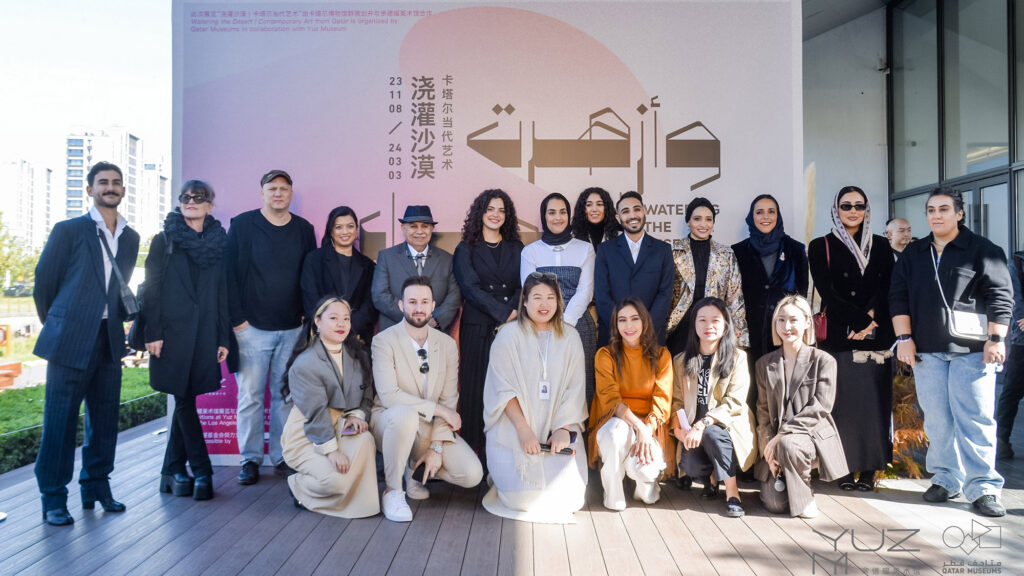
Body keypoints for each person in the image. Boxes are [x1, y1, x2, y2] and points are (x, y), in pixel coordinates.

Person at [890, 188, 1013, 517]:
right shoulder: (914, 253)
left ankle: (983, 486)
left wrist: (996, 340)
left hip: (972, 352)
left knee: (974, 419)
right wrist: (904, 338)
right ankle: (946, 477)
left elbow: (1001, 297)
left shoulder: (983, 251)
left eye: (944, 209)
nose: (936, 215)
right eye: (931, 210)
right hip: (926, 352)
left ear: (959, 213)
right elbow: (898, 297)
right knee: (939, 420)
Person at [33, 161, 140, 525]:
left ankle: (96, 486)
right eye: (103, 182)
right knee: (60, 422)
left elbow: (118, 285)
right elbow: (44, 283)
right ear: (90, 189)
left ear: (123, 191)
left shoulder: (131, 237)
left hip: (109, 339)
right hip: (69, 341)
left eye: (116, 183)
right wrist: (61, 323)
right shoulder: (69, 230)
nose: (110, 187)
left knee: (105, 419)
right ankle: (53, 498)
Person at [227, 169, 317, 485]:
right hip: (252, 329)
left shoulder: (305, 229)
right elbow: (230, 276)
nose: (278, 193)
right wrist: (238, 321)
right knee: (250, 395)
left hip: (293, 327)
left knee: (284, 396)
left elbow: (310, 275)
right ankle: (249, 459)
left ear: (291, 193)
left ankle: (282, 456)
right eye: (272, 188)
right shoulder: (242, 225)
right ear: (262, 193)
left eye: (284, 188)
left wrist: (307, 317)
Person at [370, 276, 483, 522]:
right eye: (412, 302)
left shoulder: (446, 344)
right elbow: (390, 395)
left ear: (433, 306)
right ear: (401, 305)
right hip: (390, 421)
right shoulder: (383, 341)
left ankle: (413, 469)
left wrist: (437, 446)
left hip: (429, 429)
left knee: (472, 473)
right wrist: (439, 411)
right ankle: (393, 491)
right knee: (404, 415)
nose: (418, 308)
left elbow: (449, 399)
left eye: (424, 302)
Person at [145, 180, 228, 501]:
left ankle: (171, 471)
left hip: (206, 334)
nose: (191, 202)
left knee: (186, 400)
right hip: (170, 336)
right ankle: (203, 471)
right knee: (183, 399)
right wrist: (153, 332)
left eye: (199, 198)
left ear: (210, 205)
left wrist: (222, 336)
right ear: (180, 203)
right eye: (186, 198)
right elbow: (150, 289)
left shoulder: (220, 244)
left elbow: (221, 292)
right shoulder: (164, 241)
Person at [483, 272, 588, 523]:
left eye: (551, 297)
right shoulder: (507, 335)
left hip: (558, 424)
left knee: (571, 497)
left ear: (559, 302)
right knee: (522, 499)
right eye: (537, 297)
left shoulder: (571, 337)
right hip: (514, 427)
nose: (544, 304)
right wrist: (524, 430)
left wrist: (563, 428)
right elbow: (502, 388)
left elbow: (575, 387)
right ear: (525, 302)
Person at [808, 186, 894, 492]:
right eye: (846, 206)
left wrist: (871, 321)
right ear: (836, 209)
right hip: (839, 337)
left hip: (875, 337)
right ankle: (841, 468)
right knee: (839, 405)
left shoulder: (882, 246)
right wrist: (858, 321)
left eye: (859, 205)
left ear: (867, 209)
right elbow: (827, 291)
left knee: (873, 404)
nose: (853, 211)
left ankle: (869, 470)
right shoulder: (821, 246)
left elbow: (888, 288)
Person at [281, 297, 379, 518]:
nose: (341, 324)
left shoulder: (358, 356)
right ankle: (297, 485)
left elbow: (366, 397)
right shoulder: (306, 363)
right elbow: (316, 413)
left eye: (346, 318)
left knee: (365, 439)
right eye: (333, 318)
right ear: (317, 321)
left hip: (342, 427)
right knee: (337, 482)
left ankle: (362, 503)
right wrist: (332, 451)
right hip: (309, 434)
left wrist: (356, 415)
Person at [755, 296, 848, 518]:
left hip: (811, 437)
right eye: (781, 320)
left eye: (794, 320)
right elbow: (763, 412)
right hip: (776, 444)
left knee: (789, 443)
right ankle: (785, 477)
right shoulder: (764, 364)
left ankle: (804, 492)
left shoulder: (823, 360)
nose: (787, 327)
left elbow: (821, 406)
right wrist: (767, 447)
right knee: (775, 504)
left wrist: (782, 435)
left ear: (808, 322)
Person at [453, 189, 524, 463]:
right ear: (480, 213)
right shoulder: (465, 249)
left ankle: (503, 452)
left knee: (507, 389)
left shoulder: (517, 248)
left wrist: (512, 312)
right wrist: (502, 313)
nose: (495, 214)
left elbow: (523, 284)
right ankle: (475, 455)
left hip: (512, 326)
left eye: (501, 210)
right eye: (490, 209)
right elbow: (470, 289)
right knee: (476, 389)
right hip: (478, 326)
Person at [672, 297, 756, 518]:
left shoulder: (738, 358)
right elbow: (677, 402)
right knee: (690, 466)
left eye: (715, 320)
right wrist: (679, 431)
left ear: (726, 325)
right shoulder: (681, 361)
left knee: (711, 432)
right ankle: (710, 477)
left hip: (725, 431)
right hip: (694, 435)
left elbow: (734, 402)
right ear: (694, 325)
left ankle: (732, 492)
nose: (709, 326)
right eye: (702, 320)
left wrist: (703, 423)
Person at [590, 298, 672, 510]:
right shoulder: (605, 355)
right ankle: (614, 495)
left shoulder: (662, 355)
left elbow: (662, 401)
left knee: (644, 475)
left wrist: (646, 431)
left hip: (649, 427)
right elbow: (611, 400)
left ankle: (645, 485)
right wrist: (639, 427)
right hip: (616, 421)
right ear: (615, 325)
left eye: (635, 319)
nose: (629, 326)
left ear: (644, 322)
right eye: (622, 320)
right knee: (614, 435)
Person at [521, 193, 598, 404]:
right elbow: (530, 291)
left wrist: (565, 323)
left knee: (581, 384)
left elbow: (586, 290)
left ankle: (580, 434)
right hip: (540, 324)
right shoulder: (530, 252)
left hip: (578, 323)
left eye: (563, 212)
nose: (558, 217)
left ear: (569, 215)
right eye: (552, 212)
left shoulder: (585, 248)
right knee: (543, 384)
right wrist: (549, 322)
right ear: (543, 217)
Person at [731, 194, 809, 378]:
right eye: (759, 212)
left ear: (778, 215)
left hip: (785, 334)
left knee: (782, 390)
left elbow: (801, 294)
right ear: (752, 217)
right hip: (749, 337)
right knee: (752, 393)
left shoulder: (796, 250)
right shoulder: (737, 252)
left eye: (771, 211)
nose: (765, 217)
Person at [666, 197, 748, 356]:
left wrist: (740, 340)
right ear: (688, 222)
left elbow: (735, 298)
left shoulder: (726, 254)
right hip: (680, 328)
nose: (703, 224)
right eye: (697, 219)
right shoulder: (673, 252)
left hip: (714, 327)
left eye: (708, 219)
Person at [594, 191, 675, 347]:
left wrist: (645, 328)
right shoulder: (605, 250)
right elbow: (602, 295)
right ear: (618, 218)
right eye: (625, 211)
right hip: (613, 336)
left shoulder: (663, 250)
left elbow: (665, 294)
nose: (632, 215)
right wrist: (622, 327)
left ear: (645, 211)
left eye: (637, 209)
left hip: (651, 335)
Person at [372, 205, 461, 332]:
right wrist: (413, 319)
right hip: (395, 331)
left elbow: (454, 296)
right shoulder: (387, 257)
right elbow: (380, 295)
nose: (419, 231)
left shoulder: (447, 259)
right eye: (413, 226)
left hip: (434, 332)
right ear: (403, 228)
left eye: (424, 226)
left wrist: (435, 319)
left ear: (432, 228)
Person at [300, 207, 377, 345]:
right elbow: (311, 300)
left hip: (357, 340)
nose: (345, 232)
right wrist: (331, 328)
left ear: (356, 229)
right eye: (339, 227)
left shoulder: (368, 265)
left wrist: (348, 328)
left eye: (350, 226)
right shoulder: (314, 260)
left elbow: (369, 305)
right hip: (322, 338)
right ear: (331, 230)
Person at [995, 249, 1024, 460]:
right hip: (1022, 338)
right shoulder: (1018, 261)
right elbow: (1014, 296)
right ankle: (1001, 440)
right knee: (1012, 388)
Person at [571, 186, 620, 251]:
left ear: (607, 208)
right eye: (589, 205)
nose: (594, 209)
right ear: (582, 209)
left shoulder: (619, 234)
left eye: (599, 204)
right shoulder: (573, 235)